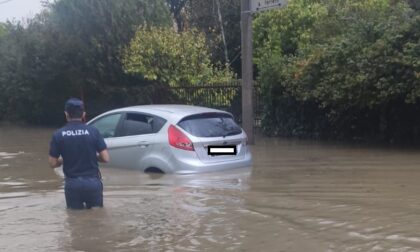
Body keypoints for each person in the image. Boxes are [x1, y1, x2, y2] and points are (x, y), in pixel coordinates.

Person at [48, 98, 110, 209]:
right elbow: (105, 158)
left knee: (74, 220)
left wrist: (62, 160)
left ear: (66, 114)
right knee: (97, 218)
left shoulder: (58, 134)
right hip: (93, 183)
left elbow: (52, 163)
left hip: (72, 185)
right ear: (84, 114)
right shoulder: (93, 131)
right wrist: (93, 156)